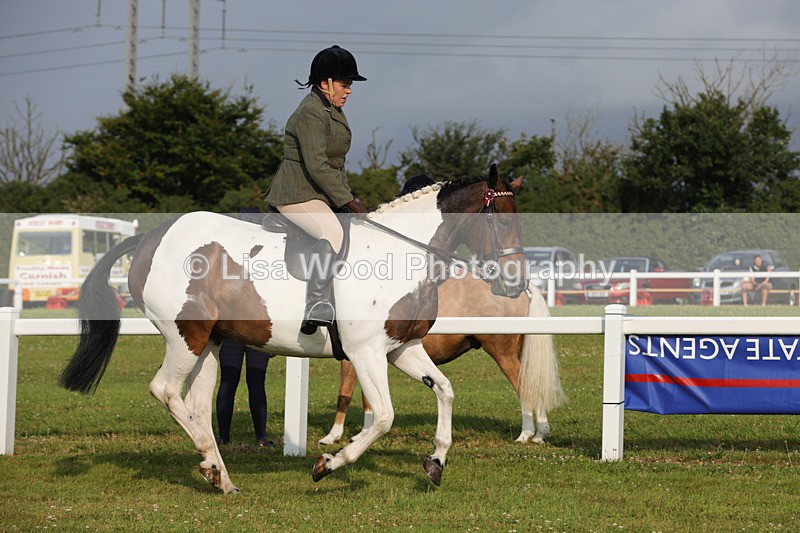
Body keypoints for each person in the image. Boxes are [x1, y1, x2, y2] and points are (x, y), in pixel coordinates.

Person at [264, 45, 369, 335]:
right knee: (332, 232)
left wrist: (350, 200)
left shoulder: (330, 110)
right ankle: (316, 304)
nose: (349, 91)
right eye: (345, 85)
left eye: (349, 85)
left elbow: (336, 165)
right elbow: (318, 165)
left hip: (317, 193)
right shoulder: (311, 113)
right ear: (326, 84)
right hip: (296, 193)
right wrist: (348, 200)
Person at [216, 339, 275, 447]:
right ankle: (261, 438)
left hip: (230, 331)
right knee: (257, 382)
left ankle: (223, 438)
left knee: (228, 381)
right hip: (257, 331)